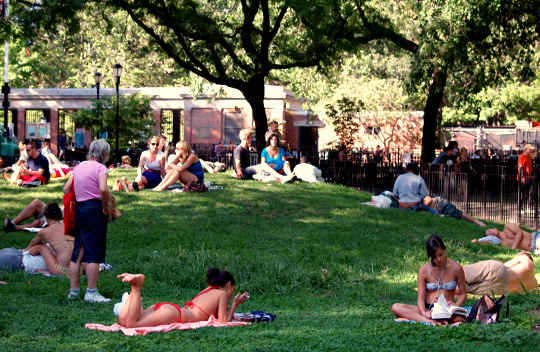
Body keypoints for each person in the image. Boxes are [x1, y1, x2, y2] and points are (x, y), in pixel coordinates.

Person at [64, 139, 113, 303]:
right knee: (94, 251)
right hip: (95, 210)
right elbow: (103, 188)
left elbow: (66, 189)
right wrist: (106, 206)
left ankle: (74, 291)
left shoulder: (78, 167)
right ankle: (91, 292)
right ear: (104, 153)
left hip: (80, 209)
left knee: (78, 250)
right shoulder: (101, 168)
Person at [114, 268, 249, 328]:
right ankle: (136, 287)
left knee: (124, 321)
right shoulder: (222, 293)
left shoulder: (209, 289)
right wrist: (236, 304)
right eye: (233, 289)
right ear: (228, 285)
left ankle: (132, 294)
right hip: (174, 315)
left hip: (169, 309)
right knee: (132, 324)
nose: (232, 293)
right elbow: (223, 321)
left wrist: (232, 306)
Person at [391, 234, 467, 325]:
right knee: (396, 307)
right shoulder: (423, 270)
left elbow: (463, 294)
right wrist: (424, 312)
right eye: (434, 257)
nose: (438, 259)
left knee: (458, 319)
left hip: (448, 310)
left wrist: (456, 306)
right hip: (429, 309)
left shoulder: (457, 268)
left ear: (444, 250)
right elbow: (420, 298)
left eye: (440, 254)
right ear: (430, 256)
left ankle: (433, 320)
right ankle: (429, 321)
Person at [0, 203, 73, 276]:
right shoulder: (69, 227)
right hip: (73, 269)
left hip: (59, 269)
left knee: (41, 247)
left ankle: (25, 255)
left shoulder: (45, 231)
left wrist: (26, 250)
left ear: (46, 217)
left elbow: (34, 242)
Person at [458, 252, 537, 295]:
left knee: (456, 274)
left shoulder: (525, 258)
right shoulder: (534, 283)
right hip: (500, 289)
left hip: (500, 271)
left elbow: (506, 266)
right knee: (462, 288)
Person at [472, 223, 540, 255]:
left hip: (535, 238)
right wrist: (478, 241)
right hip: (533, 249)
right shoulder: (502, 243)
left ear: (495, 228)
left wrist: (514, 247)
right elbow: (488, 242)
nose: (490, 232)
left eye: (489, 230)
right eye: (488, 234)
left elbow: (519, 233)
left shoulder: (507, 227)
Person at [517, 144, 536, 210]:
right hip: (523, 177)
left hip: (529, 177)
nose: (531, 150)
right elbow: (521, 167)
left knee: (532, 190)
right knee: (523, 193)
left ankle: (529, 205)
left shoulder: (529, 157)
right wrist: (522, 177)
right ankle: (521, 207)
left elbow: (530, 168)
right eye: (530, 149)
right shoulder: (521, 157)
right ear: (526, 149)